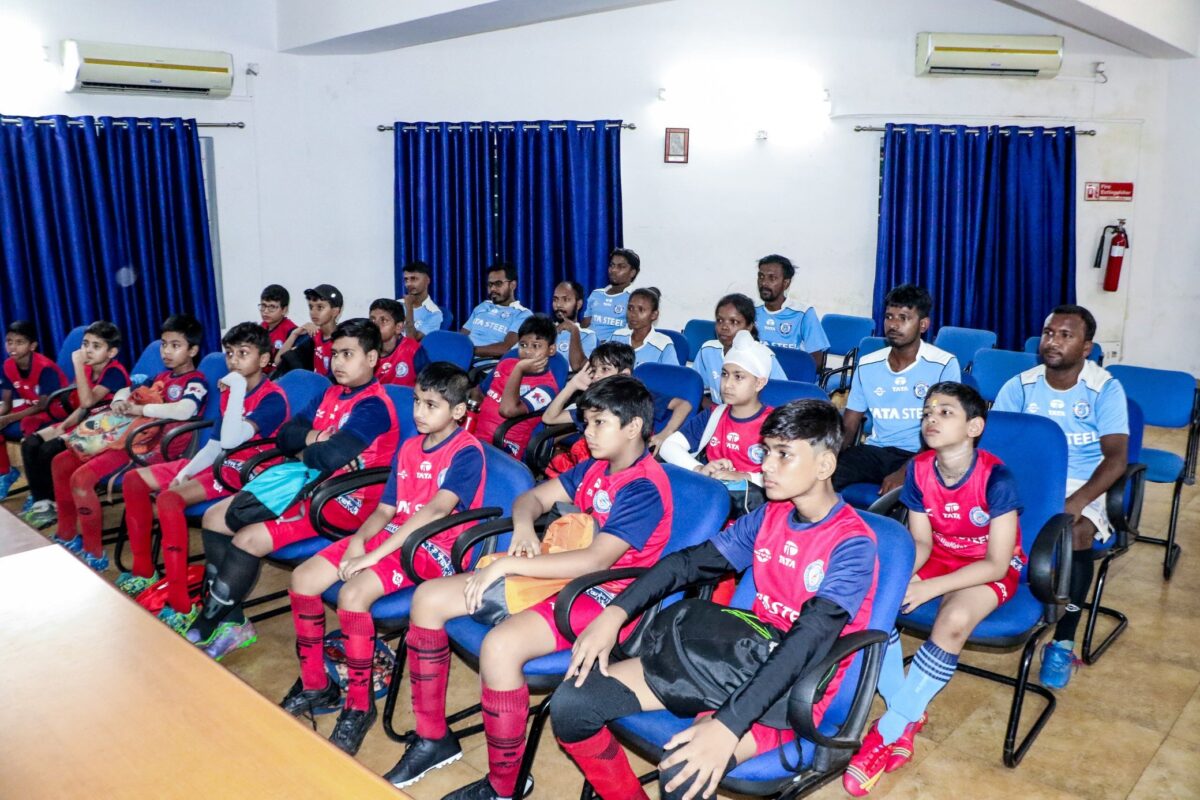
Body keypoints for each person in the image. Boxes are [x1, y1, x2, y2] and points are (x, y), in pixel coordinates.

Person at [549, 400, 877, 800]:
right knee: (572, 702)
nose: (766, 466)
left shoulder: (853, 545)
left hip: (794, 688)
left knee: (684, 771)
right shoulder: (771, 514)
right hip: (741, 656)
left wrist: (729, 724)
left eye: (784, 454)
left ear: (824, 465)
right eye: (766, 452)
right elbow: (689, 563)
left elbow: (808, 639)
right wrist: (614, 614)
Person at [385, 375, 674, 800]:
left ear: (633, 427)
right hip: (562, 574)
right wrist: (523, 528)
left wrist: (509, 563)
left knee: (500, 647)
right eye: (586, 422)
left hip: (604, 596)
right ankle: (433, 739)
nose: (588, 432)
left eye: (599, 423)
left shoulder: (642, 486)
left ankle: (506, 786)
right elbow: (531, 499)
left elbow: (597, 561)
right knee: (428, 599)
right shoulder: (596, 466)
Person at [280, 363, 484, 755]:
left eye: (431, 405)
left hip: (431, 547)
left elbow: (435, 512)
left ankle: (359, 706)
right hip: (393, 535)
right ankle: (316, 684)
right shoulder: (409, 447)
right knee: (303, 578)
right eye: (417, 401)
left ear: (458, 411)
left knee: (352, 595)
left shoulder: (466, 452)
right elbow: (386, 509)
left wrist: (373, 555)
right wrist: (359, 542)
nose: (419, 412)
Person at [843, 382, 1023, 796]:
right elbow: (922, 542)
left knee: (954, 618)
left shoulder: (997, 478)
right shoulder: (919, 469)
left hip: (989, 565)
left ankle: (886, 732)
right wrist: (901, 580)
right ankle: (909, 711)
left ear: (974, 427)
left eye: (945, 413)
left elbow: (996, 563)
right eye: (927, 413)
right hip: (940, 554)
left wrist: (930, 589)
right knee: (881, 598)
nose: (931, 419)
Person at [188, 318, 400, 660]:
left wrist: (308, 448)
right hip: (305, 483)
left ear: (372, 358)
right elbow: (287, 437)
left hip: (341, 501)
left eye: (348, 354)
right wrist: (314, 439)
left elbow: (329, 457)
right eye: (335, 354)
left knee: (248, 538)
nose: (338, 362)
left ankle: (212, 618)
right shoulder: (329, 392)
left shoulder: (373, 406)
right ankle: (231, 619)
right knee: (214, 517)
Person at [992, 304, 1128, 690]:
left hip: (1082, 483)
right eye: (1049, 333)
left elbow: (1116, 459)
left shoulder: (1105, 389)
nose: (1053, 341)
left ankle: (1063, 641)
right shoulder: (1020, 386)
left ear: (1086, 347)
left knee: (1076, 532)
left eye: (1066, 335)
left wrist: (1078, 501)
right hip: (1028, 480)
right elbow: (997, 447)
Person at [115, 323, 289, 617]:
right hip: (223, 464)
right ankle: (155, 576)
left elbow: (233, 440)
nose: (234, 360)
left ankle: (181, 600)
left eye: (243, 353)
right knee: (143, 484)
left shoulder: (272, 398)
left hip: (249, 474)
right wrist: (187, 472)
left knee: (169, 500)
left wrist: (235, 390)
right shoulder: (230, 393)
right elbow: (216, 444)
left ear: (263, 359)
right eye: (230, 353)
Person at [50, 314, 208, 571]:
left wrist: (139, 409)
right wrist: (119, 402)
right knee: (60, 462)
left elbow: (185, 410)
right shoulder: (160, 376)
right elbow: (126, 387)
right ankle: (67, 534)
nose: (166, 351)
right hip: (128, 437)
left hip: (150, 448)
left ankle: (94, 552)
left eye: (175, 345)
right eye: (164, 344)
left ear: (193, 350)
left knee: (81, 479)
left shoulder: (196, 381)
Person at [836, 284, 960, 496]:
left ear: (923, 325)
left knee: (907, 496)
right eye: (889, 317)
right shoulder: (867, 364)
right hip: (876, 451)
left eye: (903, 318)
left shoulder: (944, 364)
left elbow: (944, 431)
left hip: (922, 454)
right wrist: (827, 457)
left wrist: (905, 471)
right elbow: (849, 424)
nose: (893, 324)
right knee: (820, 479)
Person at [20, 321, 129, 528]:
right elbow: (82, 408)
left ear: (111, 352)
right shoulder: (88, 369)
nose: (88, 350)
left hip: (104, 429)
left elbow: (88, 402)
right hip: (84, 421)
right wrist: (63, 426)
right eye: (85, 344)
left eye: (96, 346)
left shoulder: (114, 373)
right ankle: (42, 502)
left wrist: (78, 366)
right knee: (30, 443)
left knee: (48, 450)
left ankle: (55, 503)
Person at [542, 343, 691, 474]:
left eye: (605, 369)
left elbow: (684, 405)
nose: (596, 376)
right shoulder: (595, 403)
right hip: (589, 464)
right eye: (594, 370)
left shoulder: (638, 396)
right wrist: (572, 385)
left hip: (622, 466)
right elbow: (549, 418)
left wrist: (665, 433)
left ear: (624, 374)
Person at [659, 331, 772, 504]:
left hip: (752, 507)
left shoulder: (775, 422)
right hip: (711, 499)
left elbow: (788, 475)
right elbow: (668, 446)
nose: (727, 384)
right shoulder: (714, 415)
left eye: (738, 377)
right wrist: (700, 469)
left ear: (759, 383)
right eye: (724, 374)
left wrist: (745, 477)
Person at [472, 314, 562, 460]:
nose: (528, 351)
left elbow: (507, 410)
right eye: (523, 345)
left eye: (536, 346)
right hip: (476, 436)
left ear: (551, 350)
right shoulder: (506, 364)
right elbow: (479, 392)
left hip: (505, 446)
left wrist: (518, 370)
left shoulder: (547, 389)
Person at [0, 321, 67, 499]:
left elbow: (43, 405)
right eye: (9, 341)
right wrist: (3, 416)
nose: (12, 347)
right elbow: (6, 404)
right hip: (30, 408)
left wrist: (8, 419)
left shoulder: (45, 368)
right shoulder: (7, 365)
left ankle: (39, 491)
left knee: (30, 437)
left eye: (19, 342)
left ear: (32, 346)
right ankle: (6, 473)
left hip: (54, 412)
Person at [692, 293, 787, 407]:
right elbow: (694, 390)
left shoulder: (764, 357)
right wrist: (715, 412)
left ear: (749, 326)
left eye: (734, 322)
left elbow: (783, 397)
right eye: (720, 320)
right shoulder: (707, 351)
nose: (724, 327)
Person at [755, 254, 829, 370]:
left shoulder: (803, 313)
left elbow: (817, 361)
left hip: (791, 376)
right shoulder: (751, 311)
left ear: (786, 283)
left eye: (772, 278)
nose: (764, 283)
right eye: (761, 277)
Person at [461, 263, 532, 359]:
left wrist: (469, 350)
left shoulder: (522, 314)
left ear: (513, 285)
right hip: (461, 358)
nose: (493, 289)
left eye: (498, 284)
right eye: (490, 284)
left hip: (485, 364)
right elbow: (462, 336)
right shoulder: (483, 306)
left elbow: (506, 348)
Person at [277, 284, 344, 379]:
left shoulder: (342, 341)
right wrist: (294, 334)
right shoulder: (315, 336)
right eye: (311, 307)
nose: (313, 312)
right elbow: (279, 361)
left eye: (320, 307)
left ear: (335, 311)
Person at [583, 248, 640, 342]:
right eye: (612, 265)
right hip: (589, 345)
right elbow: (584, 326)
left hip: (614, 347)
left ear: (632, 272)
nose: (613, 270)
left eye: (621, 267)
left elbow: (633, 333)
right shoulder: (596, 294)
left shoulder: (634, 298)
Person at [611, 288, 678, 367]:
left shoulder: (663, 344)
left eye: (641, 310)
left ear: (654, 315)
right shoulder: (617, 336)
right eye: (630, 308)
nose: (633, 314)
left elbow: (673, 373)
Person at [370, 298, 419, 386]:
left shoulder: (412, 349)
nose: (375, 325)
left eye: (383, 321)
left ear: (398, 327)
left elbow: (429, 382)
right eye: (372, 320)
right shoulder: (365, 350)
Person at [552, 280, 598, 372]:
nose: (558, 305)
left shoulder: (587, 335)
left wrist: (574, 330)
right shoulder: (543, 330)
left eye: (566, 300)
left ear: (578, 304)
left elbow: (577, 367)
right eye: (555, 299)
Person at [401, 260, 445, 339]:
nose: (408, 284)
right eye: (406, 279)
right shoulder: (397, 304)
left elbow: (412, 339)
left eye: (414, 279)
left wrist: (409, 307)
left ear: (427, 280)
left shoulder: (434, 313)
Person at [259, 284, 297, 374]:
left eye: (272, 307)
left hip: (279, 377)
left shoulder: (291, 331)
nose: (265, 311)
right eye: (263, 306)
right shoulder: (261, 327)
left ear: (284, 310)